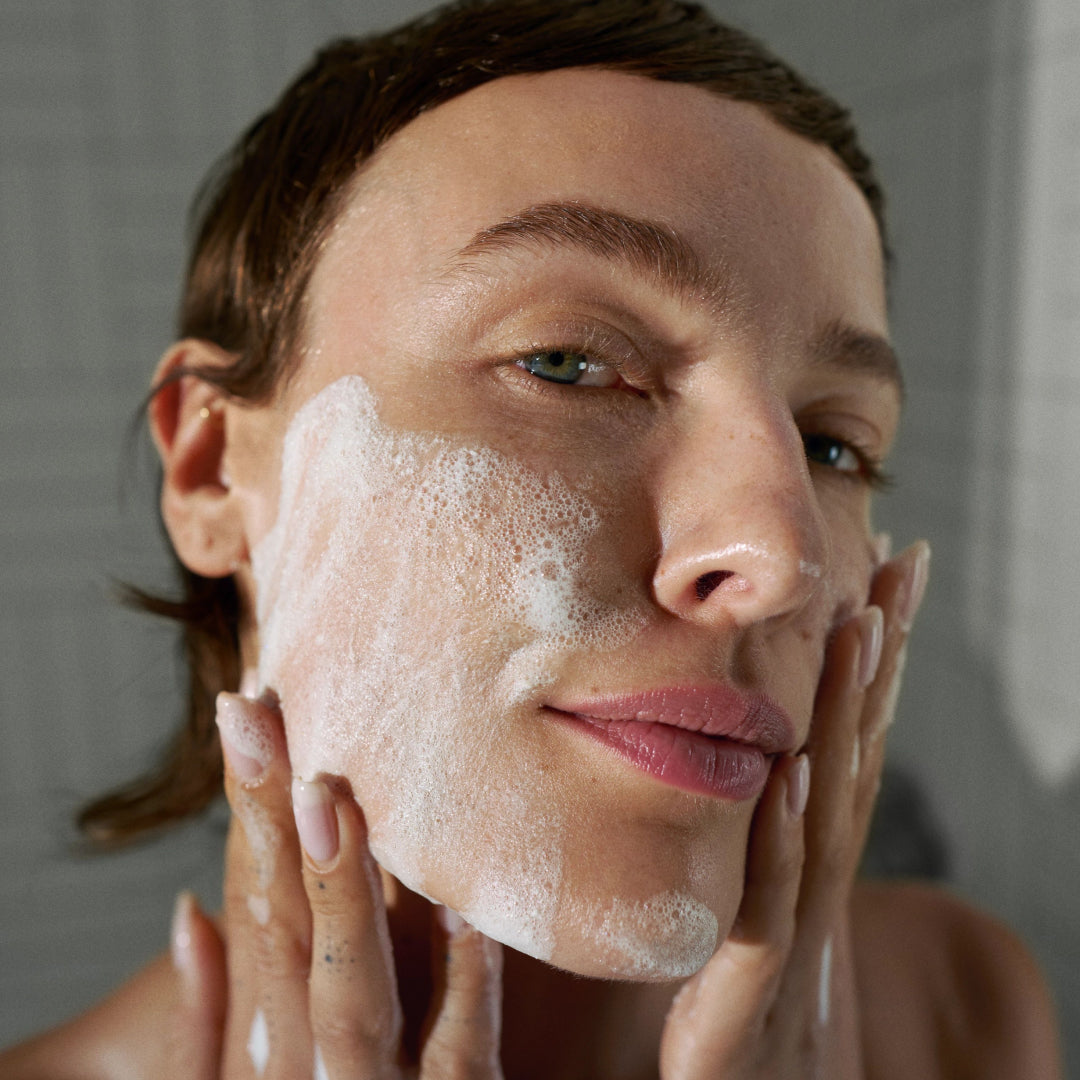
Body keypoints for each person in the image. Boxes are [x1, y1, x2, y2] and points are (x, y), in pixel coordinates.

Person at [0, 0, 1063, 1076]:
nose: (782, 561)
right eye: (567, 363)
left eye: (834, 444)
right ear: (212, 470)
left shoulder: (963, 1007)